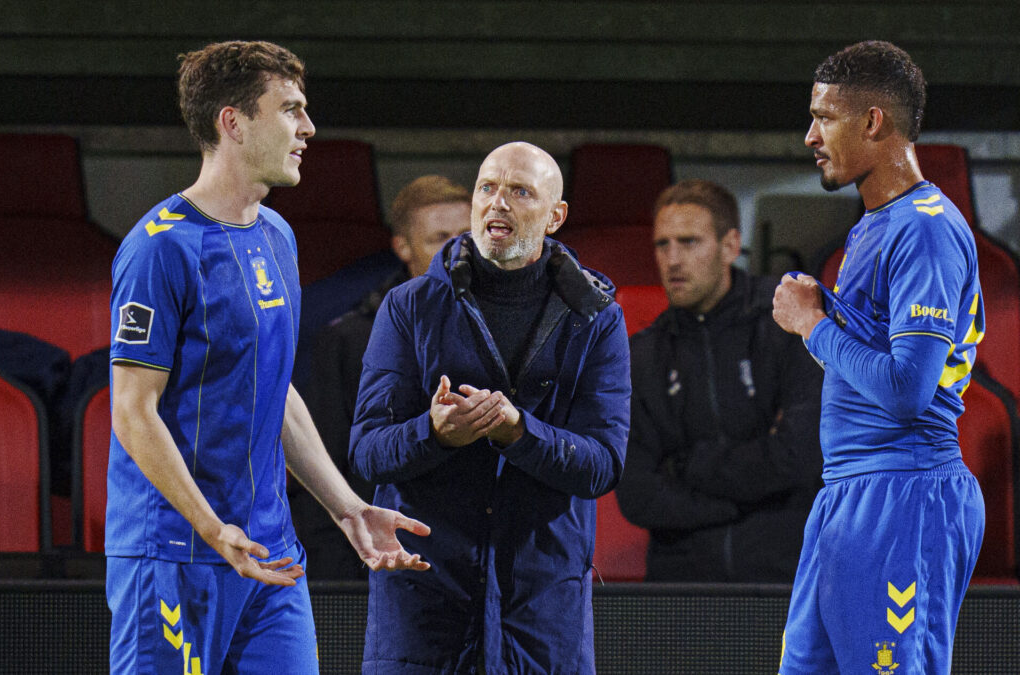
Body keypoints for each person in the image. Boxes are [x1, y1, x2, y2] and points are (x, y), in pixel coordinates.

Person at [106, 40, 429, 674]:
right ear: (233, 121)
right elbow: (132, 410)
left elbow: (273, 390)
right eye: (290, 110)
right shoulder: (159, 249)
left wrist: (347, 508)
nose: (307, 128)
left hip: (272, 553)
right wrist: (208, 525)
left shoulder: (277, 235)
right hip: (176, 553)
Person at [349, 141, 631, 673]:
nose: (497, 202)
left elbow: (602, 465)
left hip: (543, 605)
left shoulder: (596, 319)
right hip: (426, 600)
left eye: (520, 191)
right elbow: (367, 453)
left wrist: (518, 432)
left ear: (555, 216)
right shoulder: (408, 307)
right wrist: (434, 433)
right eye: (488, 187)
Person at [773, 41, 985, 674]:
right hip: (848, 494)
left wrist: (813, 325)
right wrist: (829, 319)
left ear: (873, 122)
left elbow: (907, 390)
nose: (810, 135)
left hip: (907, 495)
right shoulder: (876, 224)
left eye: (824, 117)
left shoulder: (924, 228)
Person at [615, 179, 823, 583]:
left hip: (788, 578)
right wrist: (746, 501)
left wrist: (686, 467)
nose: (672, 260)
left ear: (730, 246)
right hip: (682, 585)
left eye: (689, 242)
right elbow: (638, 495)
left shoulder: (787, 327)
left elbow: (801, 457)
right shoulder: (641, 355)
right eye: (663, 244)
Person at [291, 174, 470, 579]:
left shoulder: (510, 332)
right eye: (440, 238)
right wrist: (333, 580)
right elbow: (324, 468)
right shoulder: (349, 341)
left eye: (466, 236)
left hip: (472, 560)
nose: (456, 251)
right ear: (402, 247)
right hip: (378, 564)